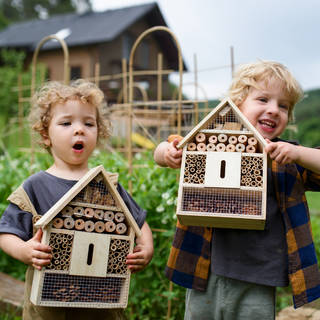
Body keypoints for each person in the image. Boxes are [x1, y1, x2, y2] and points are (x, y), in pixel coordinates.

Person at [154, 60, 320, 320]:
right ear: (238, 103)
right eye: (263, 99)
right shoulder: (213, 140)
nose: (274, 110)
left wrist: (298, 153)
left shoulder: (285, 157)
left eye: (283, 105)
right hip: (206, 267)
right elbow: (167, 147)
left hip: (259, 273)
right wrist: (169, 154)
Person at [0, 79, 154, 320]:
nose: (79, 129)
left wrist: (146, 249)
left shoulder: (106, 186)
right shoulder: (35, 186)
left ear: (98, 133)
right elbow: (7, 232)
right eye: (66, 122)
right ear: (45, 135)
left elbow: (139, 224)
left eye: (88, 123)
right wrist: (23, 250)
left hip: (101, 304)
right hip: (48, 310)